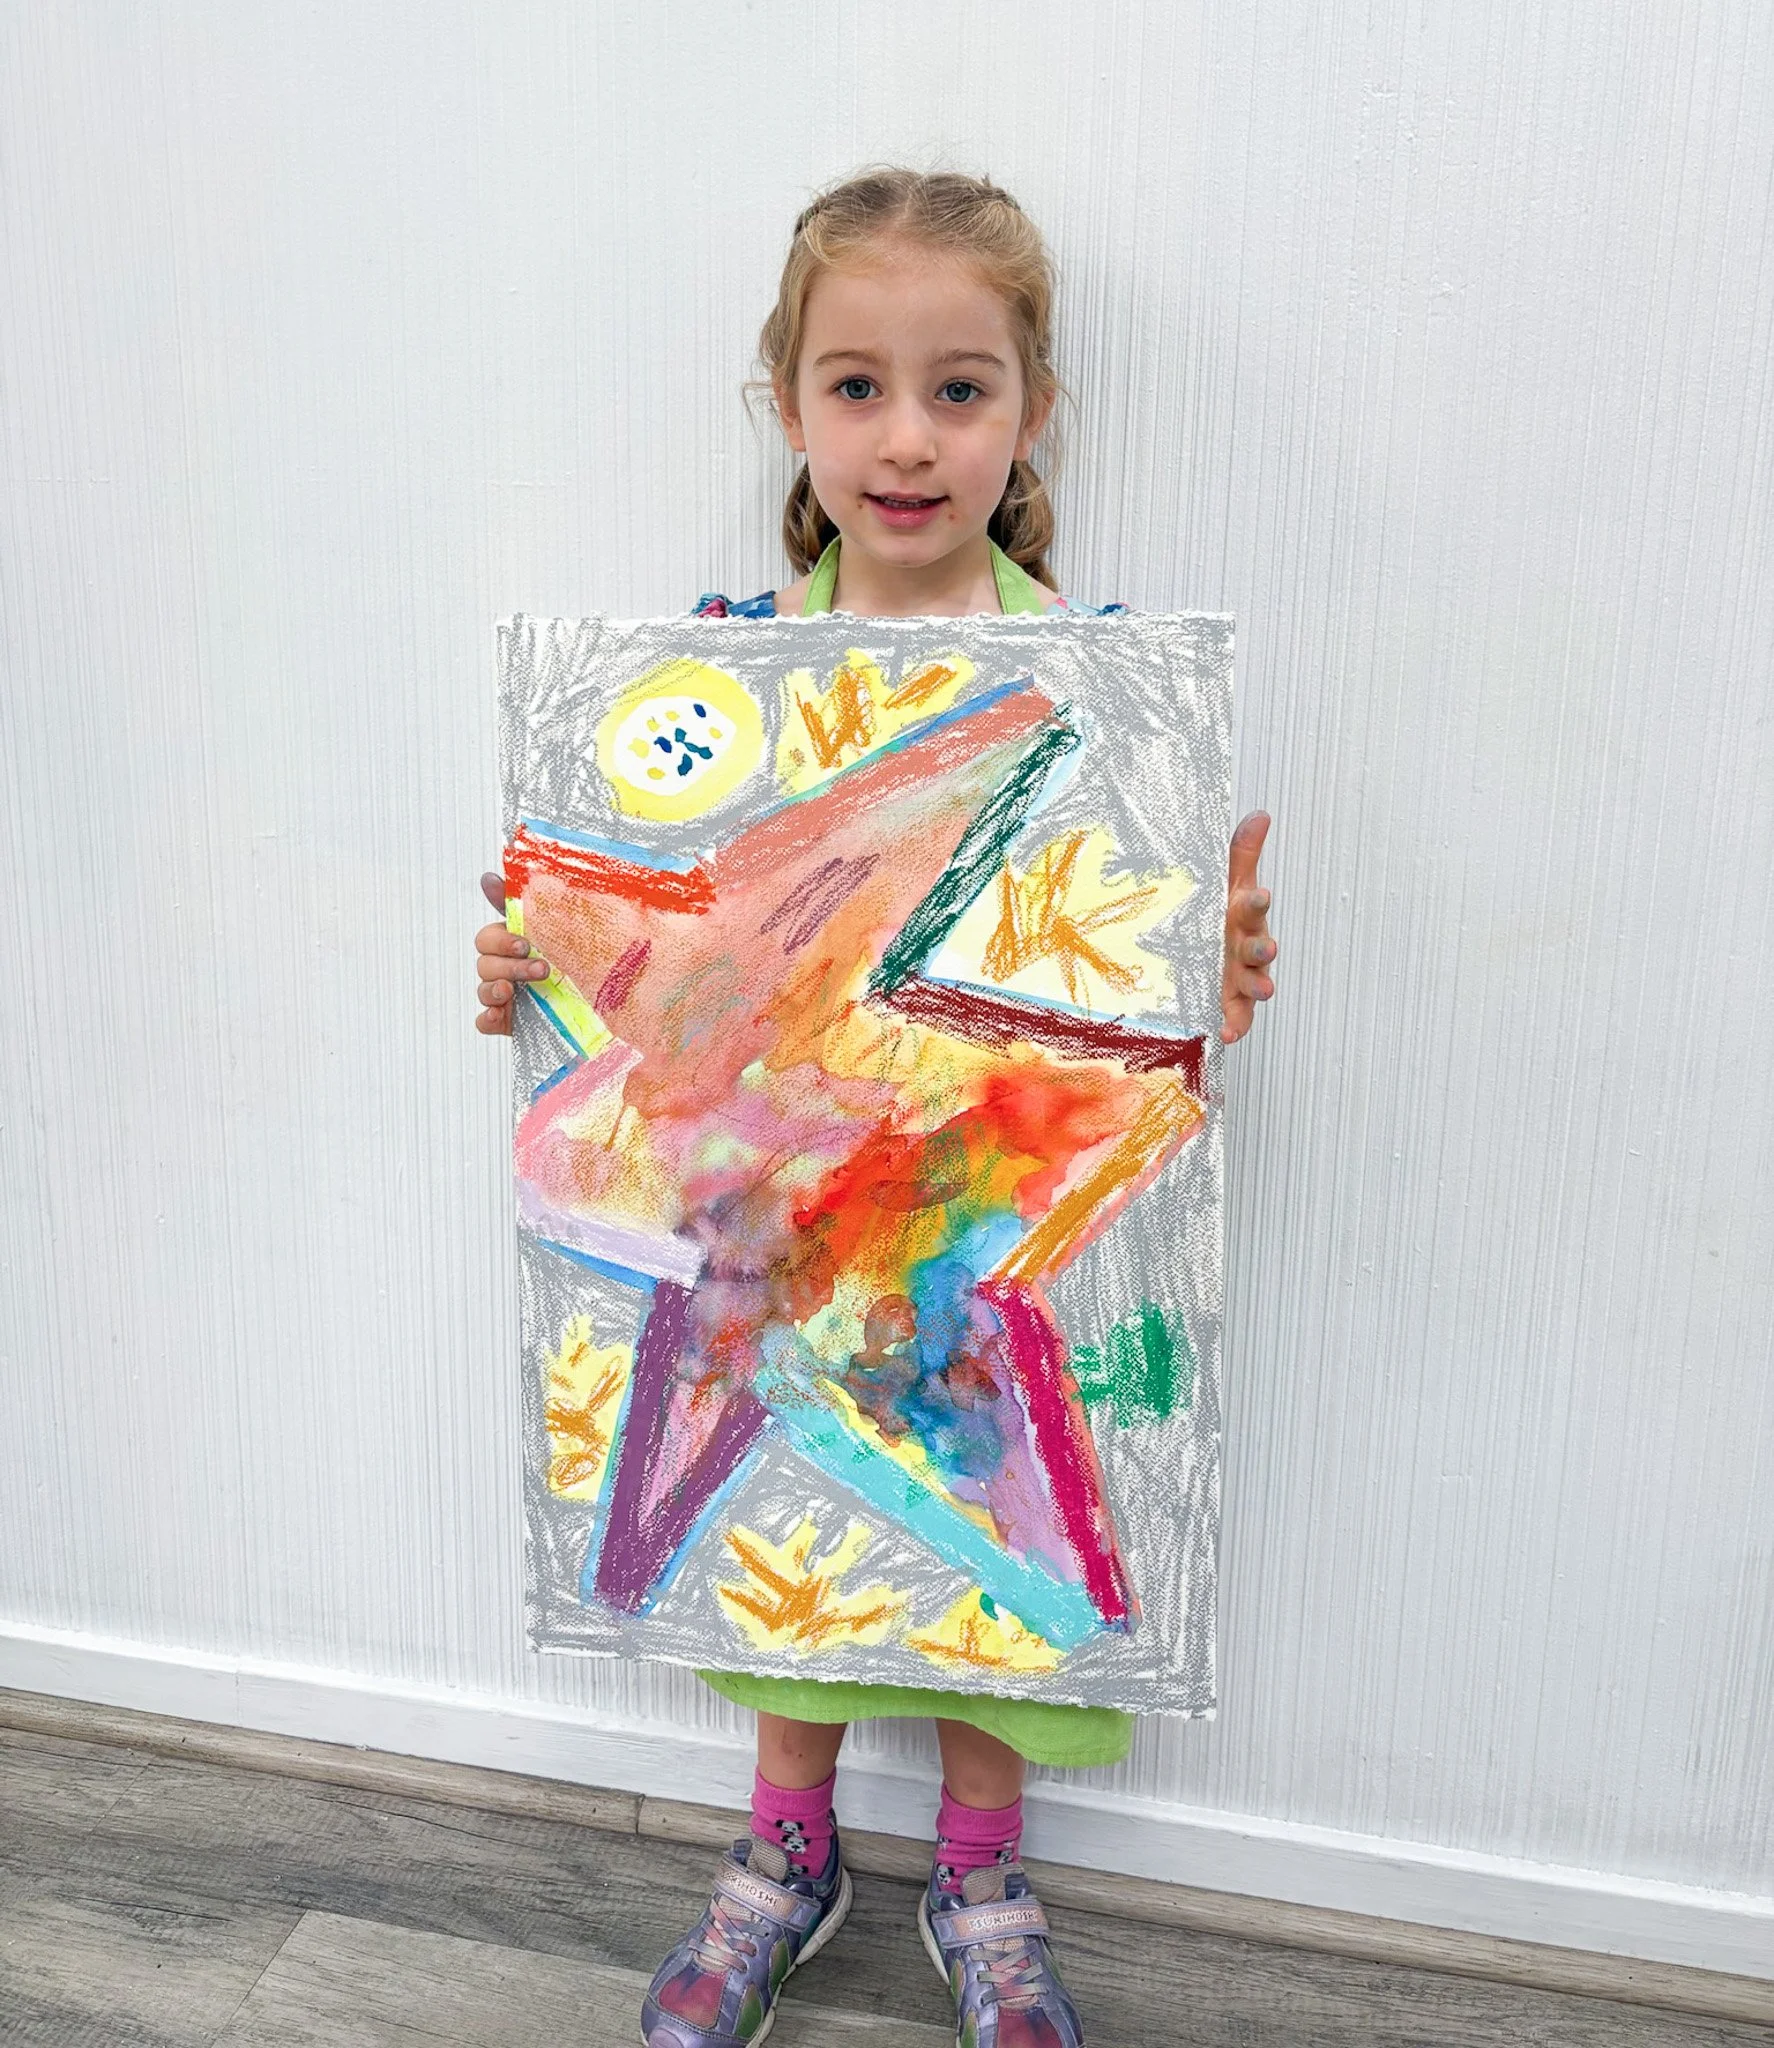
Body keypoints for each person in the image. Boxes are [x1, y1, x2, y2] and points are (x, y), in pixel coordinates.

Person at [473, 168, 1277, 2048]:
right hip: (753, 1210)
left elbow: (1148, 997)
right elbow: (593, 922)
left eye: (958, 388)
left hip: (954, 1209)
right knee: (775, 1487)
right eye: (855, 386)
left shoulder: (1109, 703)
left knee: (986, 1517)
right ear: (786, 403)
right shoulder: (706, 673)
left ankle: (982, 1873)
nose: (906, 438)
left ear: (1029, 414)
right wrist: (524, 978)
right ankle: (786, 1849)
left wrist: (1205, 968)